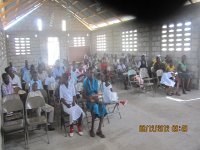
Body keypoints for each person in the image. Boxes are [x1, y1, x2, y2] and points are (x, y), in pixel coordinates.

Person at [83, 67, 107, 138]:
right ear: (87, 73)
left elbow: (98, 92)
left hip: (96, 97)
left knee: (102, 106)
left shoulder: (96, 81)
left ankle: (99, 130)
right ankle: (92, 129)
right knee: (95, 107)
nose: (92, 74)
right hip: (89, 100)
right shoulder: (85, 81)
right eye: (90, 72)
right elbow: (84, 94)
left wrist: (100, 99)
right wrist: (90, 98)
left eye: (93, 72)